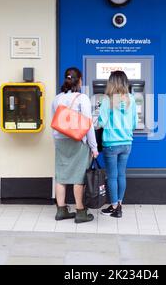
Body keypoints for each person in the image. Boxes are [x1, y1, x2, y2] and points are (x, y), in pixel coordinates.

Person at [52, 67, 99, 223]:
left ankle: (61, 210)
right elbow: (88, 125)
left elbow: (54, 122)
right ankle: (80, 212)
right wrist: (94, 147)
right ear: (79, 81)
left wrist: (56, 142)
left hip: (60, 140)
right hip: (77, 140)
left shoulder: (57, 98)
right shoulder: (82, 98)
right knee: (79, 177)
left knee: (61, 176)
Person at [98, 71, 137, 218]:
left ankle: (114, 207)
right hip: (127, 143)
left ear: (111, 83)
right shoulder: (131, 99)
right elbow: (134, 123)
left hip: (111, 143)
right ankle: (119, 204)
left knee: (112, 176)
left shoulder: (107, 100)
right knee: (121, 174)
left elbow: (101, 122)